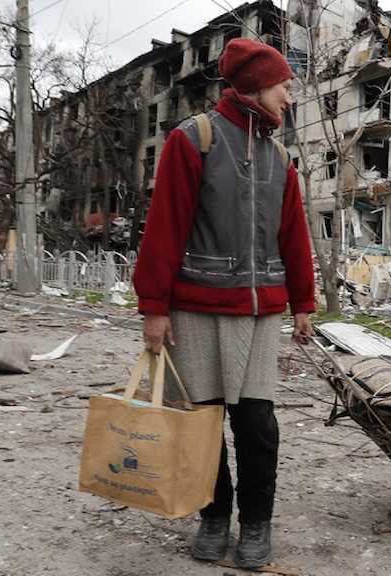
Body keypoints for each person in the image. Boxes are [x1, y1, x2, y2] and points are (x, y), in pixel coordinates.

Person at [132, 38, 315, 568]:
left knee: (256, 425)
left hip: (258, 318)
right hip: (196, 310)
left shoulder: (282, 157)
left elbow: (294, 236)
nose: (289, 97)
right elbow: (164, 228)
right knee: (203, 422)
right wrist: (154, 307)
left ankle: (256, 524)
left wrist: (303, 301)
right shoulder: (195, 140)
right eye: (285, 86)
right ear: (258, 84)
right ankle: (214, 516)